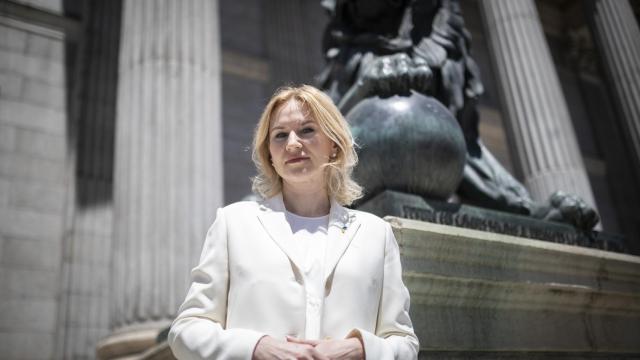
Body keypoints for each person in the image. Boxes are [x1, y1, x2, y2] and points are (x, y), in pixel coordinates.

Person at [168, 85, 419, 359]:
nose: (292, 144)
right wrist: (255, 349)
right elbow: (186, 330)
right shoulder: (233, 223)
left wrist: (360, 349)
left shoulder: (376, 234)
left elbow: (403, 342)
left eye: (307, 130)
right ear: (270, 156)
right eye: (279, 136)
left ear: (333, 145)